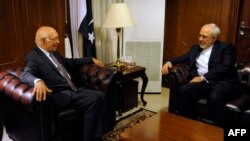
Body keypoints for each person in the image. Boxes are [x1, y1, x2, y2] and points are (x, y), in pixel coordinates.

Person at [20, 26, 105, 141]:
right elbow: (25, 74)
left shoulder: (54, 53)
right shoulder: (33, 57)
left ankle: (102, 131)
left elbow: (70, 62)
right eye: (54, 39)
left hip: (72, 88)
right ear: (42, 41)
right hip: (59, 94)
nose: (58, 42)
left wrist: (90, 59)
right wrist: (38, 81)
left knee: (101, 95)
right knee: (93, 100)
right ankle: (91, 138)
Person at [162, 23, 239, 127]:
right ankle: (188, 124)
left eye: (204, 37)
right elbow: (183, 57)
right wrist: (169, 62)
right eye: (200, 35)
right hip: (204, 83)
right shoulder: (195, 48)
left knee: (215, 97)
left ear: (214, 38)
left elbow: (226, 67)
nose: (200, 39)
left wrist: (203, 77)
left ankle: (220, 130)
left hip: (222, 81)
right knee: (184, 90)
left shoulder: (225, 48)